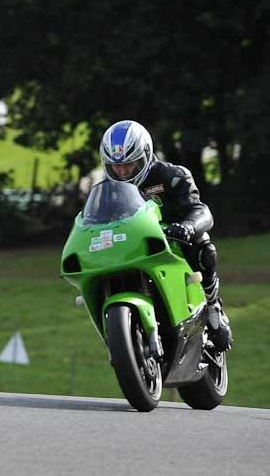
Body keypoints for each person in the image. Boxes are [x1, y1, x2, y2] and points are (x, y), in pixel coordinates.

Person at [99, 120, 232, 351]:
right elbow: (95, 221)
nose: (122, 172)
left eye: (129, 165)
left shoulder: (173, 176)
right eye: (115, 166)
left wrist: (188, 226)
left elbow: (201, 211)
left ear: (146, 155)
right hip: (131, 246)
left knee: (204, 247)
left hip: (173, 240)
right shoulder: (105, 193)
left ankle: (213, 307)